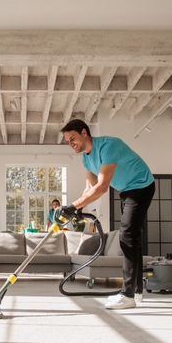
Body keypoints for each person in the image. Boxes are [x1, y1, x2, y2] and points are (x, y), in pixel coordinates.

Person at [60, 119, 155, 309]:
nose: (71, 144)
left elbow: (102, 187)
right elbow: (90, 187)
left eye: (73, 138)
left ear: (84, 133)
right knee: (133, 238)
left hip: (141, 186)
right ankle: (136, 293)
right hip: (126, 191)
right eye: (68, 141)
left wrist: (73, 205)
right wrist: (78, 207)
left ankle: (127, 295)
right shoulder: (86, 158)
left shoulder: (108, 146)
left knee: (127, 235)